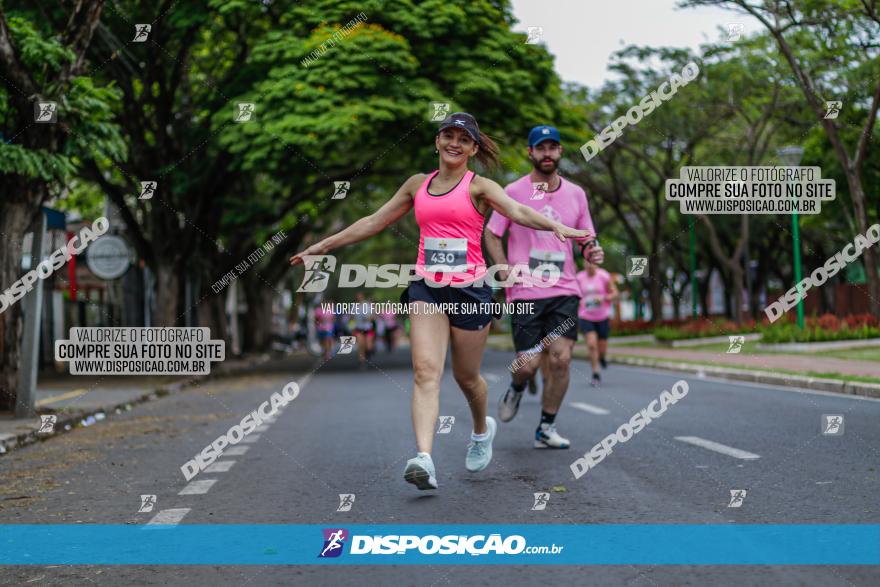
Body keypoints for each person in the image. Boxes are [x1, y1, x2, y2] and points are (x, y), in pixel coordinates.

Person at [289, 112, 590, 490]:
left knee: (466, 377)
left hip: (470, 290)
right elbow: (373, 221)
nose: (454, 143)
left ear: (473, 148)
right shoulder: (417, 184)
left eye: (463, 139)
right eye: (448, 135)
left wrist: (554, 225)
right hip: (427, 287)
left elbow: (517, 211)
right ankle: (424, 458)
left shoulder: (479, 187)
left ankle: (482, 430)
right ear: (436, 140)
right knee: (425, 371)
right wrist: (322, 245)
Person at [484, 124, 603, 449]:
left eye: (553, 147)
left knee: (561, 359)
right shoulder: (512, 192)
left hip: (565, 288)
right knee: (528, 365)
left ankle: (546, 427)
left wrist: (591, 250)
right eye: (541, 148)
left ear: (560, 151)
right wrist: (502, 269)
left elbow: (586, 235)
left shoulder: (577, 193)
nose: (547, 153)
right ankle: (518, 386)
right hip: (525, 289)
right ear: (531, 153)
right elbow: (493, 233)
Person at [576, 261, 619, 386]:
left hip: (602, 316)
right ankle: (596, 373)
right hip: (585, 316)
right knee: (591, 345)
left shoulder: (604, 276)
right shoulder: (579, 278)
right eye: (587, 262)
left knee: (602, 347)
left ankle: (602, 357)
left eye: (592, 262)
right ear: (583, 263)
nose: (589, 265)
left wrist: (603, 298)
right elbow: (574, 295)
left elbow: (615, 293)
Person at [351, 292, 376, 368]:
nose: (359, 298)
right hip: (359, 328)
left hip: (368, 327)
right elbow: (351, 318)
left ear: (362, 297)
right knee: (360, 345)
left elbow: (373, 316)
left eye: (360, 296)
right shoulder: (354, 307)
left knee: (368, 346)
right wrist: (352, 327)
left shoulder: (368, 305)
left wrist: (368, 318)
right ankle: (361, 361)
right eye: (357, 297)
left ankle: (368, 353)